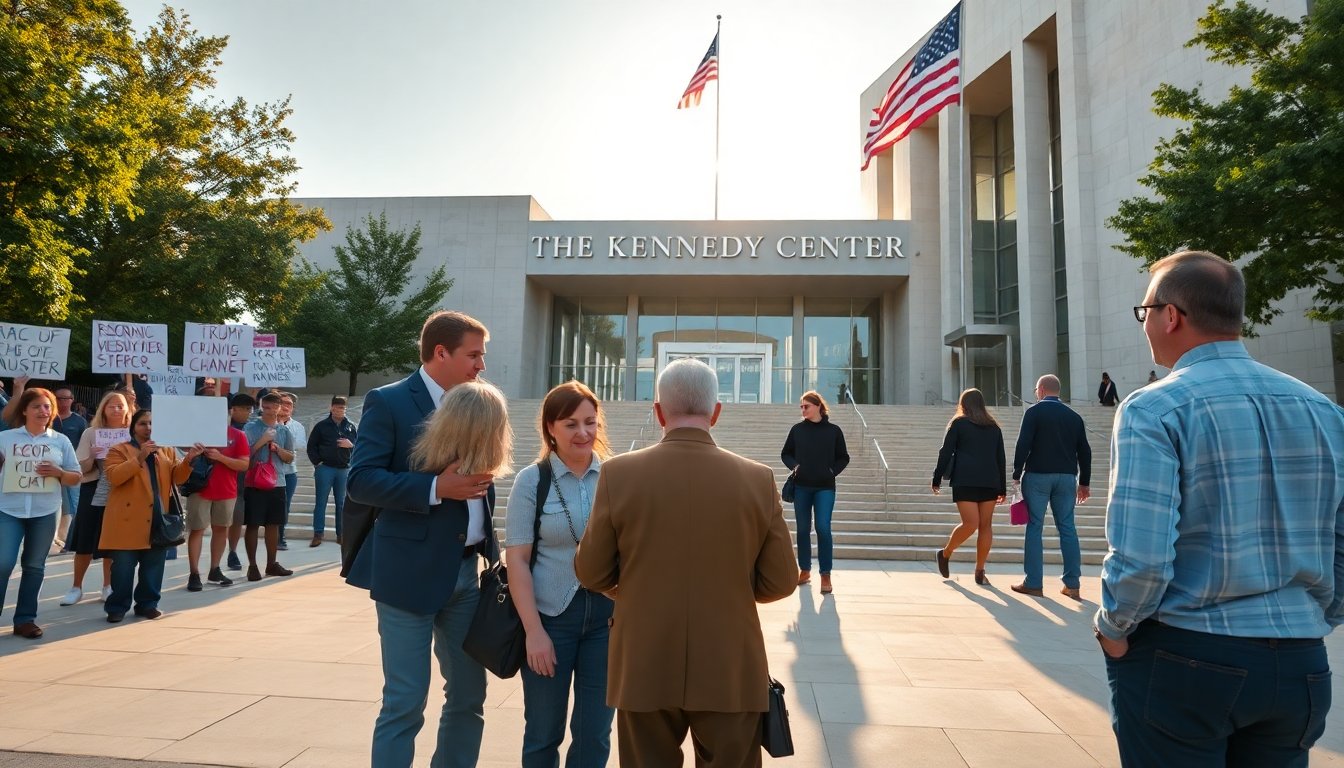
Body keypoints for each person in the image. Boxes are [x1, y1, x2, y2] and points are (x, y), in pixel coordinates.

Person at [1096, 250, 1344, 765]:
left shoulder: (1154, 408)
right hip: (1301, 663)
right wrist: (1317, 615)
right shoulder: (1323, 411)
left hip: (1187, 655)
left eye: (1145, 312)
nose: (1145, 324)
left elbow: (1142, 557)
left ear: (1171, 315)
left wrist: (1113, 627)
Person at [575, 358, 798, 767]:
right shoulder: (758, 478)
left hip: (643, 658)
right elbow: (781, 580)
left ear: (659, 412)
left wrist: (629, 589)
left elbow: (591, 571)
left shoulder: (618, 474)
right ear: (716, 412)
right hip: (730, 662)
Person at [346, 310, 499, 768]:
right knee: (405, 701)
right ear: (441, 353)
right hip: (406, 577)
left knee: (469, 697)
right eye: (474, 355)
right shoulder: (390, 401)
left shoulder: (478, 401)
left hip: (467, 575)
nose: (481, 366)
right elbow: (361, 481)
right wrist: (436, 488)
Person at [506, 381, 615, 767]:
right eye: (571, 424)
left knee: (595, 735)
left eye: (590, 422)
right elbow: (517, 560)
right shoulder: (531, 481)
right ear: (550, 428)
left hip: (607, 622)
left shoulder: (617, 476)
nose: (583, 432)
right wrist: (534, 632)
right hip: (550, 620)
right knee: (542, 733)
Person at [100, 409, 202, 622]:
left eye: (152, 424)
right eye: (143, 423)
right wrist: (140, 457)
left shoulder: (167, 450)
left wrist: (190, 459)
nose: (148, 428)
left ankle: (148, 604)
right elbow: (115, 477)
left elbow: (178, 478)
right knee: (123, 569)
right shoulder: (119, 449)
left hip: (157, 517)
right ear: (133, 428)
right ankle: (117, 607)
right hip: (126, 519)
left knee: (153, 566)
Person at [0, 387, 83, 638]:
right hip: (8, 510)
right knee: (3, 563)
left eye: (47, 406)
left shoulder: (60, 441)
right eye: (36, 406)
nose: (43, 411)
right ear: (24, 410)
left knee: (35, 566)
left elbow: (76, 477)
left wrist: (59, 472)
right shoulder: (5, 439)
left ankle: (25, 620)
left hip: (45, 512)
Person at [1011, 374, 1091, 600]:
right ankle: (1072, 585)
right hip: (1066, 478)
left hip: (1037, 476)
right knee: (1067, 527)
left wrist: (1016, 473)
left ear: (1042, 390)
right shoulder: (1074, 417)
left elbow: (1023, 444)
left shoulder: (1033, 412)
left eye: (1036, 390)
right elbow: (1084, 451)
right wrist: (1084, 482)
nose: (1036, 393)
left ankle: (1033, 582)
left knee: (1035, 526)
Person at [931, 388, 1006, 585]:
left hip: (981, 481)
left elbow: (1000, 457)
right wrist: (937, 477)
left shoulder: (982, 426)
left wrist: (1002, 488)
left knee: (983, 525)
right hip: (972, 480)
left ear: (963, 404)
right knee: (971, 524)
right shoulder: (973, 425)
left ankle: (980, 570)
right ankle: (945, 553)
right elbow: (946, 451)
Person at [62, 391, 130, 606]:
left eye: (120, 406)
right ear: (103, 409)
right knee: (85, 538)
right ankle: (76, 587)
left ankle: (107, 586)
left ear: (127, 409)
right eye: (112, 406)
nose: (116, 409)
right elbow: (79, 468)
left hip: (122, 491)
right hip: (93, 489)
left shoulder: (131, 433)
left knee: (112, 540)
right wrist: (92, 455)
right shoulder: (91, 433)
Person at [780, 390, 849, 595]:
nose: (803, 410)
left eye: (806, 406)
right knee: (802, 529)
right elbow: (786, 453)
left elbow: (843, 457)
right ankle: (805, 570)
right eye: (801, 407)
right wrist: (795, 466)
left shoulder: (834, 431)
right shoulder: (797, 430)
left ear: (818, 406)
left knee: (822, 528)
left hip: (825, 487)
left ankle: (825, 574)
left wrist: (832, 471)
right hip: (801, 487)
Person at [183, 403, 250, 591]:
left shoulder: (238, 435)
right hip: (199, 488)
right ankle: (194, 573)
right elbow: (182, 456)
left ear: (229, 413)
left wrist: (221, 458)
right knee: (197, 529)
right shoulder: (196, 434)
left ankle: (215, 569)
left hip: (226, 490)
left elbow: (244, 465)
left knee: (221, 529)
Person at [242, 393, 295, 581]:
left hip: (277, 481)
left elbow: (290, 457)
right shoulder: (251, 427)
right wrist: (262, 441)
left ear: (279, 408)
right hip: (255, 482)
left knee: (273, 524)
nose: (268, 410)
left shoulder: (284, 431)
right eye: (265, 407)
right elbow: (244, 455)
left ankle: (271, 564)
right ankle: (252, 566)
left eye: (272, 407)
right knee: (253, 523)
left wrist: (278, 449)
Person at [307, 395, 357, 547]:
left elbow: (359, 445)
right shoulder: (321, 426)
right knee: (321, 502)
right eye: (337, 407)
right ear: (331, 408)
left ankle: (341, 534)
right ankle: (318, 534)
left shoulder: (350, 426)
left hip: (343, 469)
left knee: (341, 503)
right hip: (325, 468)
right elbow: (311, 446)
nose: (340, 410)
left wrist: (351, 445)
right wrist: (318, 463)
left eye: (343, 408)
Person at [51, 385, 88, 550]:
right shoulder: (48, 419)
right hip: (50, 467)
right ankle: (56, 537)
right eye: (59, 398)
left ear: (72, 400)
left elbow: (85, 445)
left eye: (66, 398)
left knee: (74, 504)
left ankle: (70, 539)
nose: (62, 401)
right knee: (55, 503)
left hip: (72, 469)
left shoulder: (79, 421)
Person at [224, 393, 255, 571]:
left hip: (246, 481)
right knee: (225, 520)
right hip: (226, 479)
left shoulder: (251, 428)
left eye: (250, 409)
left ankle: (233, 551)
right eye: (245, 409)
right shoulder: (224, 428)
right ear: (233, 410)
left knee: (238, 518)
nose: (248, 412)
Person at [275, 391, 306, 551]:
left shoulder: (297, 426)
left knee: (285, 506)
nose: (286, 407)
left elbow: (300, 445)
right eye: (283, 403)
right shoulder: (268, 423)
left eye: (289, 404)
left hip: (289, 472)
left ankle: (280, 537)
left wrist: (283, 431)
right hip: (270, 471)